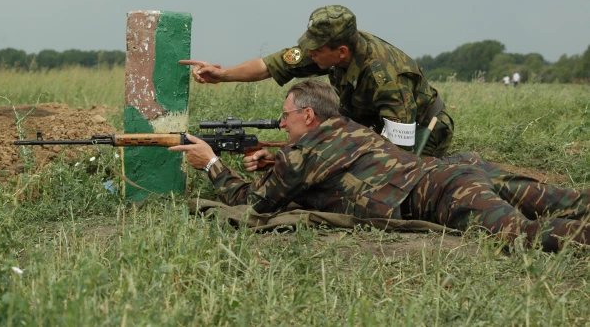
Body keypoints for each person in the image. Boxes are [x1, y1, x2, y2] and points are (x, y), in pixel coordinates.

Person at [170, 80, 590, 252]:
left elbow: (257, 205)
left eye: (286, 116)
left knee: (520, 236)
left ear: (309, 117)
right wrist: (277, 159)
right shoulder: (347, 127)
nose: (282, 123)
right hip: (459, 169)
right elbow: (331, 168)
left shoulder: (302, 155)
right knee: (567, 199)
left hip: (443, 191)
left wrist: (210, 165)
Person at [179, 5, 454, 158]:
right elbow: (268, 66)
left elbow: (399, 146)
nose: (309, 54)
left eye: (316, 50)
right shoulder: (326, 50)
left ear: (341, 51)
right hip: (371, 121)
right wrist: (221, 74)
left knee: (375, 174)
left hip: (419, 129)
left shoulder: (385, 76)